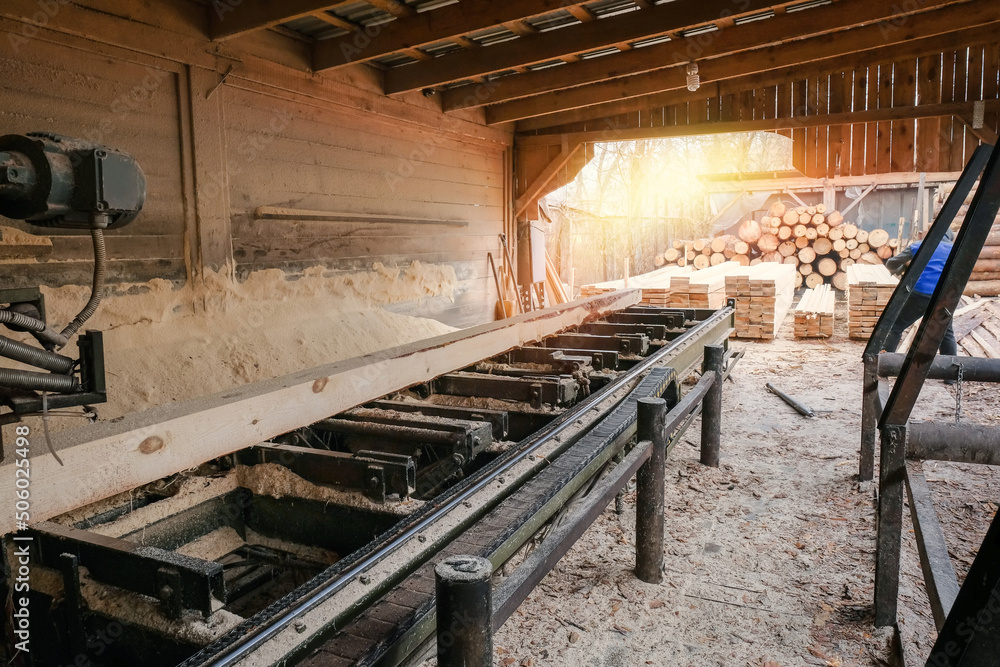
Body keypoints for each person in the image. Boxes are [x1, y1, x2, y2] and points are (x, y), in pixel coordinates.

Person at [882, 231, 958, 359]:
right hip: (943, 297)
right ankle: (951, 375)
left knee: (896, 326)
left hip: (919, 295)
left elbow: (891, 263)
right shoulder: (956, 250)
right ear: (950, 238)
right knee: (946, 333)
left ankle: (887, 362)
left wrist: (905, 268)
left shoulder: (918, 245)